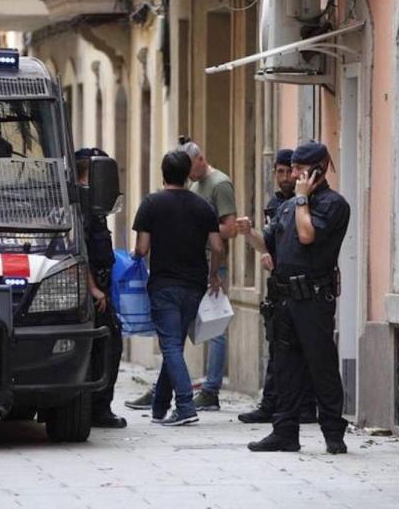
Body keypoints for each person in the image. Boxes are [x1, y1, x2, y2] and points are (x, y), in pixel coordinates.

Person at [236, 141, 351, 454]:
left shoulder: (332, 204)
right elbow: (268, 244)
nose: (296, 176)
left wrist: (302, 198)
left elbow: (307, 235)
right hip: (284, 300)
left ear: (319, 169)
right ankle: (284, 432)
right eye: (295, 169)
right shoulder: (288, 207)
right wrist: (249, 233)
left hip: (313, 299)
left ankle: (333, 432)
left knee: (321, 365)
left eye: (301, 170)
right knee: (285, 366)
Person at [125, 137, 237, 412]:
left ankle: (185, 405)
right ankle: (160, 404)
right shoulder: (202, 207)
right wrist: (213, 276)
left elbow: (142, 248)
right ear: (188, 174)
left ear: (163, 174)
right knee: (175, 343)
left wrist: (136, 257)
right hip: (195, 285)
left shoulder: (151, 204)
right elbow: (217, 246)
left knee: (170, 345)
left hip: (164, 284)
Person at [238, 149, 317, 425]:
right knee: (278, 347)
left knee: (305, 350)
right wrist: (251, 236)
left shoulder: (310, 203)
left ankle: (305, 407)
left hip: (306, 287)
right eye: (280, 172)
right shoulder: (276, 205)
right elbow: (269, 242)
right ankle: (273, 403)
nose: (285, 178)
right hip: (280, 285)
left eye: (289, 171)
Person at [75, 148, 127, 429]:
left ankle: (97, 405)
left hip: (100, 285)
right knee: (107, 346)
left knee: (106, 346)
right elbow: (78, 250)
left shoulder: (90, 203)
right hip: (92, 289)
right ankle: (98, 407)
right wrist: (94, 288)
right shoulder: (81, 204)